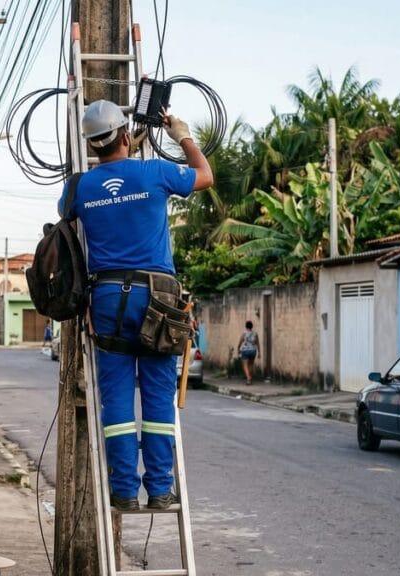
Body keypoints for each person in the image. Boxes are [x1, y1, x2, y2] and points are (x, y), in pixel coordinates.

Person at [59, 100, 213, 511]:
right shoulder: (155, 172)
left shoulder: (78, 188)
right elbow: (205, 175)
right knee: (159, 400)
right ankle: (160, 491)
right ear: (127, 136)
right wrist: (180, 133)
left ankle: (124, 492)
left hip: (107, 300)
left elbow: (70, 209)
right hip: (159, 298)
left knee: (117, 403)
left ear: (92, 145)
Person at [237, 320, 260, 385]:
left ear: (246, 326)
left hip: (245, 351)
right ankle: (250, 378)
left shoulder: (244, 334)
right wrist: (259, 352)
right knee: (251, 365)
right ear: (252, 326)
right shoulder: (255, 334)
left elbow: (240, 342)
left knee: (245, 366)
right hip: (253, 351)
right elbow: (257, 343)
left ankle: (248, 378)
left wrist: (238, 348)